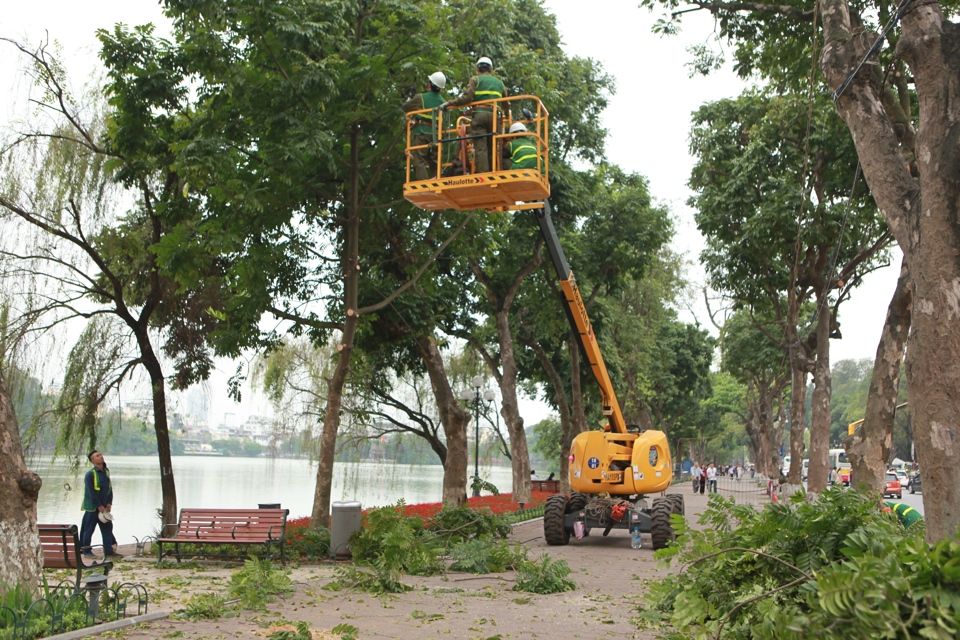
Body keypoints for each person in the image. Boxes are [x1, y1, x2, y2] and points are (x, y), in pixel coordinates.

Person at [441, 57, 507, 173]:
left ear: (478, 69)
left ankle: (484, 173)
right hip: (495, 116)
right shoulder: (500, 83)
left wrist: (450, 103)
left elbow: (467, 98)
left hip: (480, 116)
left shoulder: (475, 79)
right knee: (492, 146)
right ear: (490, 70)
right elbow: (506, 103)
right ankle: (493, 172)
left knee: (481, 148)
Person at [402, 71, 447, 180]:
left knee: (419, 159)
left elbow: (406, 107)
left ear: (430, 84)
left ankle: (423, 182)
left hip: (421, 132)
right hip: (436, 135)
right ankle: (438, 180)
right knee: (435, 160)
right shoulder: (443, 101)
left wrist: (409, 99)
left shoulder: (420, 97)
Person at [80, 450, 121, 559]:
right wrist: (99, 506)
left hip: (104, 507)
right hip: (93, 508)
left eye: (101, 455)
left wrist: (109, 503)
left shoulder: (106, 472)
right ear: (93, 461)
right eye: (97, 456)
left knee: (107, 528)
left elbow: (109, 489)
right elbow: (90, 493)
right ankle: (86, 551)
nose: (101, 456)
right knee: (88, 529)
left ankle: (109, 551)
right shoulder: (90, 474)